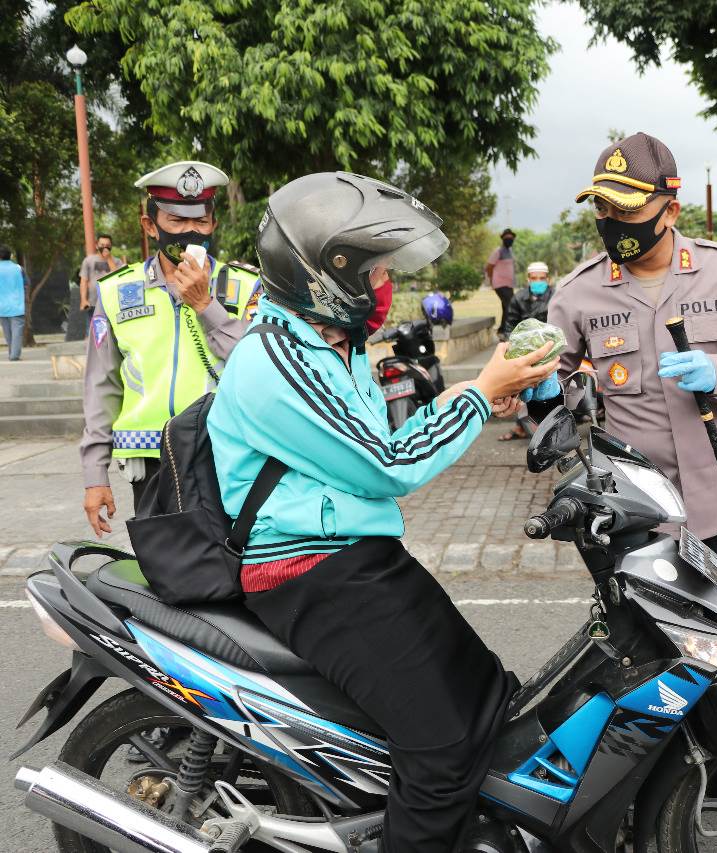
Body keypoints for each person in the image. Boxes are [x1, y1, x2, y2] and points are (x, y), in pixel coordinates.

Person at [208, 171, 555, 852]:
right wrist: (480, 392)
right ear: (324, 274)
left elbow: (373, 442)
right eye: (375, 269)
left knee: (489, 691)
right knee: (442, 746)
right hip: (309, 571)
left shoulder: (325, 345)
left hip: (357, 558)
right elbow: (386, 464)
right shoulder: (274, 359)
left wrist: (478, 393)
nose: (386, 281)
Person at [530, 132, 717, 641]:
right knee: (656, 664)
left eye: (625, 211)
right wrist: (541, 397)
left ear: (669, 211)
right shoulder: (576, 293)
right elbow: (550, 384)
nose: (610, 223)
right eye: (601, 209)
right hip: (637, 517)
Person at [80, 161, 261, 537]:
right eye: (176, 221)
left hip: (225, 458)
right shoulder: (116, 291)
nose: (190, 231)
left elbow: (260, 367)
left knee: (231, 573)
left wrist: (206, 307)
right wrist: (94, 474)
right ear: (151, 226)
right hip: (149, 463)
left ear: (213, 224)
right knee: (161, 576)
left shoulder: (245, 286)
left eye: (200, 221)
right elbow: (101, 386)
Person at [498, 260, 555, 441]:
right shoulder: (518, 298)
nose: (538, 281)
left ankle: (552, 427)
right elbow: (509, 326)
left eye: (541, 278)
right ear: (528, 279)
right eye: (534, 278)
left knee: (550, 389)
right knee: (521, 388)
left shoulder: (557, 296)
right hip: (525, 353)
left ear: (548, 279)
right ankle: (522, 425)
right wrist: (515, 348)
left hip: (550, 350)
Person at [77, 234, 124, 339]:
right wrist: (83, 300)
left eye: (107, 245)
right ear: (97, 245)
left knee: (111, 334)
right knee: (94, 333)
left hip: (112, 303)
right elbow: (84, 281)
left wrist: (109, 259)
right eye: (102, 244)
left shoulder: (117, 262)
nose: (105, 247)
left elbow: (118, 278)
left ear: (111, 246)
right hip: (93, 303)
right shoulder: (88, 260)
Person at [484, 227, 516, 338]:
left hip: (509, 284)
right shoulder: (498, 251)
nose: (509, 240)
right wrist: (491, 281)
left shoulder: (510, 251)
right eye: (507, 238)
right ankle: (507, 332)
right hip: (500, 284)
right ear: (503, 239)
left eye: (511, 238)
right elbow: (489, 267)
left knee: (506, 307)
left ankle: (502, 331)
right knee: (511, 306)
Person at [0, 246, 26, 361]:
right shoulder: (19, 268)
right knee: (17, 332)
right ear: (10, 256)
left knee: (7, 332)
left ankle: (12, 353)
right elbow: (26, 283)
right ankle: (14, 355)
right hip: (17, 305)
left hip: (2, 306)